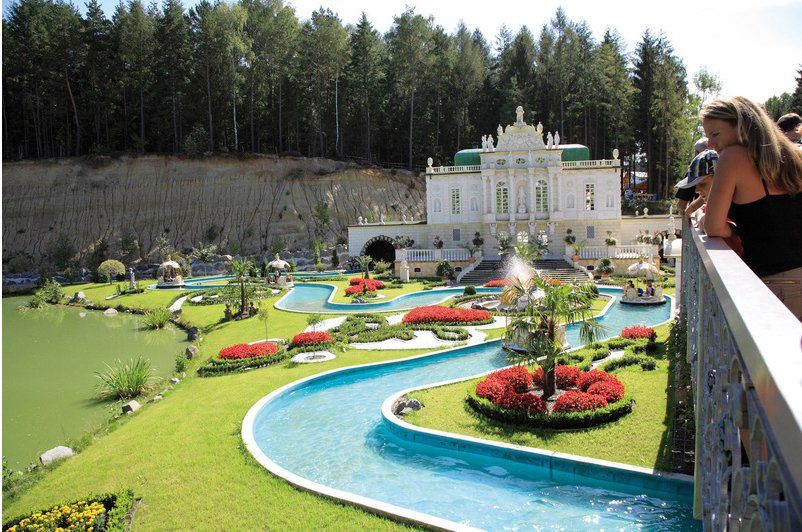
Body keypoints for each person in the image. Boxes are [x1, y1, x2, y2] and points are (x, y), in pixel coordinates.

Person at [700, 96, 802, 320]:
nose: (711, 144)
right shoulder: (795, 155)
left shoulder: (733, 157)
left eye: (715, 134)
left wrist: (737, 229)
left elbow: (713, 226)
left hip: (775, 284)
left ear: (742, 126)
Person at [676, 137, 709, 216]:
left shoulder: (693, 171)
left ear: (696, 153)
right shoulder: (720, 167)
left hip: (699, 217)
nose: (697, 189)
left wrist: (686, 215)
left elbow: (681, 204)